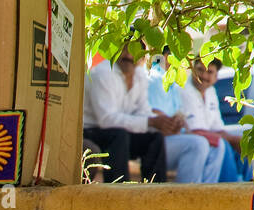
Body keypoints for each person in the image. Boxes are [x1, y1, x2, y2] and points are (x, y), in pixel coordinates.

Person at [84, 43, 214, 183]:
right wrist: (151, 121)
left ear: (141, 56)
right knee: (119, 136)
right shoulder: (104, 73)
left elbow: (143, 112)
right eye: (124, 50)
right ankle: (118, 192)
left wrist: (165, 123)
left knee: (155, 137)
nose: (128, 55)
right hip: (91, 131)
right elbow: (107, 120)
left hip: (117, 132)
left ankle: (155, 192)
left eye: (133, 51)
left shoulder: (139, 76)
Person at [148, 46, 224, 183]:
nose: (184, 64)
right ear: (167, 58)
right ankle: (188, 196)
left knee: (217, 145)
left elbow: (180, 118)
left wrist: (181, 125)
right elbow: (153, 114)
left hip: (173, 137)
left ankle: (206, 194)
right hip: (154, 140)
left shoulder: (173, 83)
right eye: (181, 59)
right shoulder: (155, 79)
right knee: (198, 144)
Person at [183, 56, 253, 182]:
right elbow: (195, 130)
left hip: (205, 140)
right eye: (200, 70)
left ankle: (248, 186)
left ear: (216, 77)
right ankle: (230, 189)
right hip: (192, 143)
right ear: (193, 70)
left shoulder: (210, 92)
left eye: (209, 72)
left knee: (241, 146)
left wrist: (236, 140)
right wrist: (231, 139)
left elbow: (217, 128)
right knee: (222, 144)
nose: (204, 76)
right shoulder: (184, 91)